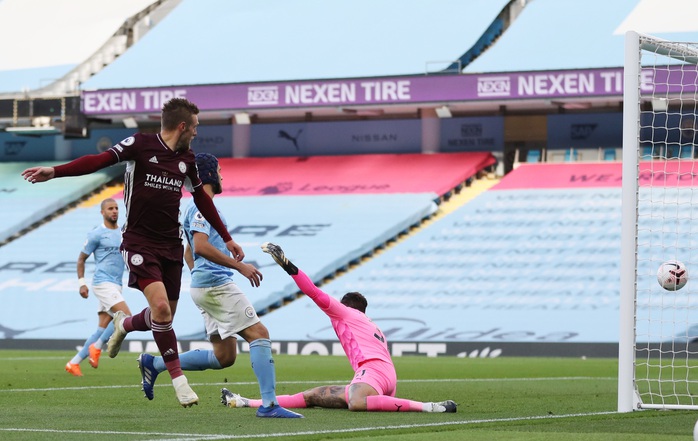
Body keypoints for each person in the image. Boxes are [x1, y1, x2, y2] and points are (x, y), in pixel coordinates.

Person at [21, 97, 244, 408]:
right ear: (182, 126)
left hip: (170, 246)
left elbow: (203, 201)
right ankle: (179, 381)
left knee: (161, 316)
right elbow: (98, 161)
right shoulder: (139, 145)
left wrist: (228, 238)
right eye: (194, 127)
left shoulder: (187, 160)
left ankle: (124, 324)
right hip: (139, 243)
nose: (196, 132)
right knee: (163, 312)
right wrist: (55, 171)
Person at [136, 153, 303, 418]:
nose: (222, 175)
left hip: (203, 286)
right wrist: (239, 266)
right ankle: (269, 406)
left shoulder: (195, 207)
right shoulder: (202, 206)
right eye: (220, 170)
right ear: (209, 175)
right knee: (259, 333)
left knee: (224, 357)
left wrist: (199, 276)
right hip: (216, 285)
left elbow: (189, 251)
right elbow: (200, 246)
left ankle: (154, 363)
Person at [221, 242, 457, 413]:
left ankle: (429, 407)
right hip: (383, 375)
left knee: (356, 402)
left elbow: (313, 292)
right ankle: (244, 401)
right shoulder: (367, 323)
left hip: (372, 372)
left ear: (347, 306)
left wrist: (287, 265)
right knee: (311, 396)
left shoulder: (345, 312)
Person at [65, 198, 131, 377]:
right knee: (125, 317)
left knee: (102, 328)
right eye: (110, 208)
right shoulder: (96, 234)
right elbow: (81, 259)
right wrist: (81, 283)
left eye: (116, 208)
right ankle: (98, 347)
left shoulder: (124, 232)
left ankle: (74, 363)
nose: (114, 211)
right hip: (102, 283)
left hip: (116, 284)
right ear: (102, 212)